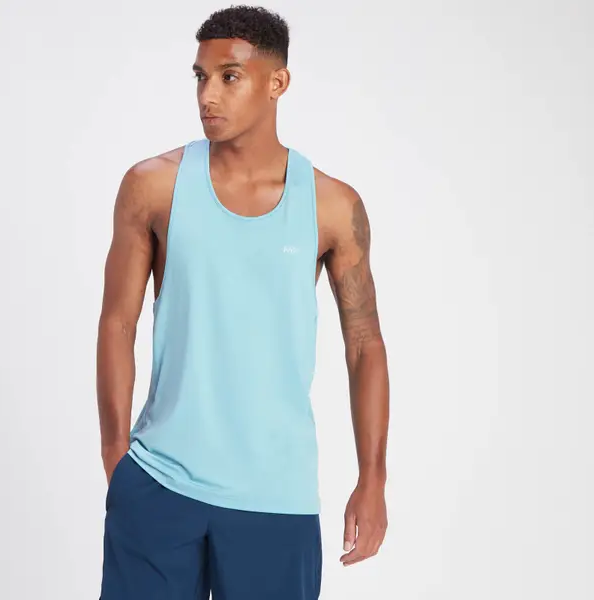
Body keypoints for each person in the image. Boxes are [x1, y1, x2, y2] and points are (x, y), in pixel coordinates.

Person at [96, 5, 389, 599]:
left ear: (278, 82)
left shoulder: (333, 206)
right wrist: (116, 456)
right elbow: (118, 322)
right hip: (158, 482)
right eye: (200, 77)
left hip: (275, 499)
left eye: (229, 76)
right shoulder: (153, 185)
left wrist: (373, 478)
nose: (208, 95)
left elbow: (364, 345)